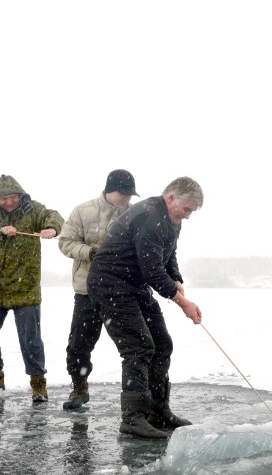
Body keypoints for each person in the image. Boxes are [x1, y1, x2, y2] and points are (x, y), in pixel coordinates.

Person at [87, 177, 203, 439]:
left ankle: (158, 411)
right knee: (138, 347)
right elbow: (151, 269)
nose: (188, 216)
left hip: (135, 285)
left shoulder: (172, 220)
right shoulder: (149, 215)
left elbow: (168, 253)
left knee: (162, 344)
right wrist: (182, 302)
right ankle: (133, 418)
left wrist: (176, 278)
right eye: (186, 209)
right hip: (111, 284)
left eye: (192, 211)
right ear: (171, 198)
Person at [0, 175, 64, 400]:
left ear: (20, 196)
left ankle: (38, 382)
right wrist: (0, 231)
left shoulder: (34, 210)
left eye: (12, 197)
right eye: (4, 199)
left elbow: (54, 216)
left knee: (30, 339)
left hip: (26, 288)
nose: (9, 202)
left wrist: (51, 228)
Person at [58, 169, 139, 410]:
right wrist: (92, 253)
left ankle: (136, 393)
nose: (126, 199)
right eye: (123, 194)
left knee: (133, 343)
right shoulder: (83, 211)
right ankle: (79, 386)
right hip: (87, 289)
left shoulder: (133, 215)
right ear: (109, 189)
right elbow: (65, 242)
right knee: (79, 342)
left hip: (121, 290)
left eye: (129, 195)